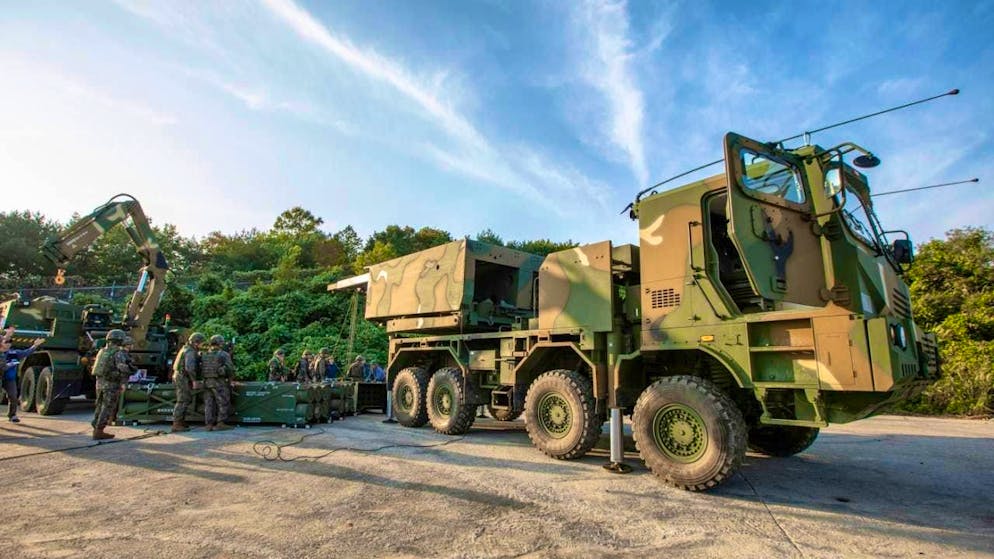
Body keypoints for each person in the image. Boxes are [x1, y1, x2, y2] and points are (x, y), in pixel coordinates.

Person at [91, 329, 135, 440]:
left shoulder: (102, 351)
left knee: (99, 405)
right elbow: (123, 368)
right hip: (111, 384)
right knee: (107, 406)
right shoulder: (118, 353)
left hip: (99, 382)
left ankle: (96, 426)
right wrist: (131, 369)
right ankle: (99, 430)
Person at [1, 330, 45, 423]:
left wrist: (35, 345)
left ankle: (12, 415)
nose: (8, 344)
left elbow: (26, 352)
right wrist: (9, 365)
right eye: (6, 342)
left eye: (10, 343)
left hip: (9, 379)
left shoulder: (14, 353)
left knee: (13, 396)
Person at [171, 332, 204, 433]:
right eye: (201, 343)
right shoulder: (190, 351)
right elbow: (189, 368)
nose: (202, 345)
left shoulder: (186, 349)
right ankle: (176, 423)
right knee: (183, 400)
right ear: (196, 343)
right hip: (182, 377)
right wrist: (194, 380)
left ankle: (180, 421)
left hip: (180, 376)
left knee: (185, 399)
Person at [200, 335, 235, 431]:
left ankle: (209, 424)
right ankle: (221, 423)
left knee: (209, 403)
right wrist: (231, 380)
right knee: (223, 401)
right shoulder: (223, 354)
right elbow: (230, 369)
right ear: (220, 343)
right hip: (219, 382)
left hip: (207, 382)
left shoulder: (205, 354)